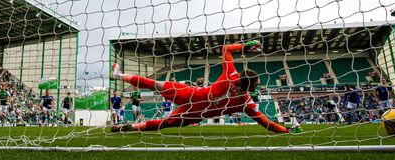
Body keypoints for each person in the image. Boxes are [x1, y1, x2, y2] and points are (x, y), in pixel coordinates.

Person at [108, 40, 298, 133]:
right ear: (252, 88)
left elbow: (226, 49)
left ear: (240, 77)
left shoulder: (231, 75)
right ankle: (131, 127)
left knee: (153, 84)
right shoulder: (246, 103)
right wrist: (286, 130)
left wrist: (248, 44)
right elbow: (267, 124)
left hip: (190, 94)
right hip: (195, 114)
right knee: (164, 124)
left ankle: (119, 75)